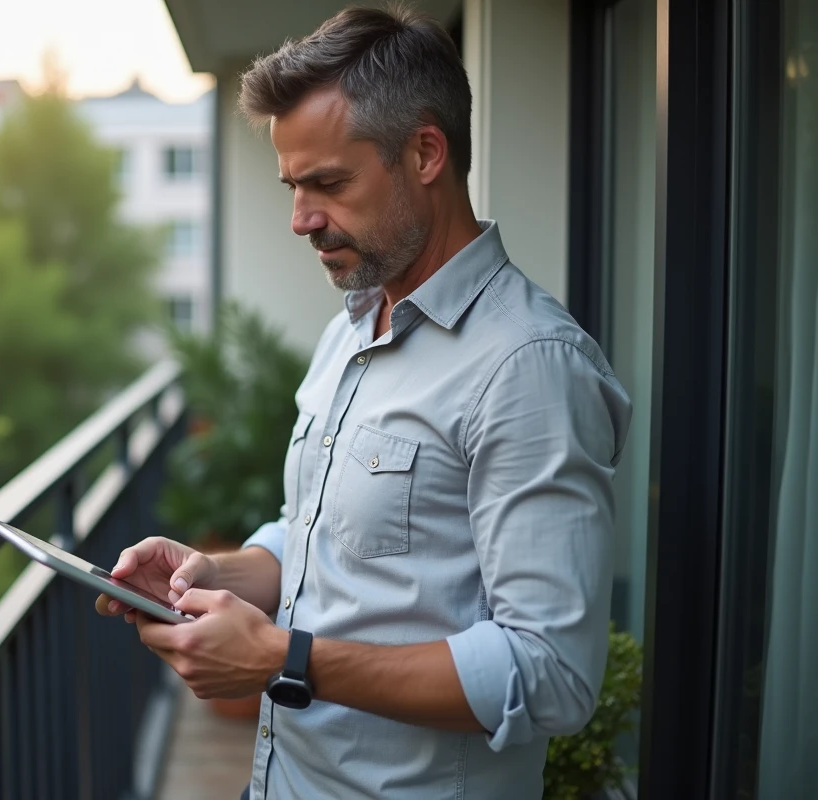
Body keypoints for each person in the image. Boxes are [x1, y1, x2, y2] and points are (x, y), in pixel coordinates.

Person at [95, 6, 632, 798]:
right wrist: (218, 573)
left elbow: (550, 673)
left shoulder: (529, 366)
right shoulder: (351, 327)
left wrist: (285, 658)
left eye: (328, 183)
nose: (301, 219)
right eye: (292, 185)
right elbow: (316, 537)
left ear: (424, 153)